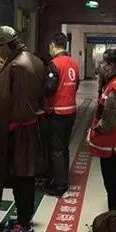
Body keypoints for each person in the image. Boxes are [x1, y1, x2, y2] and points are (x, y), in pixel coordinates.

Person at [0, 26, 47, 232]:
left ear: (5, 45)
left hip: (19, 130)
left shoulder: (17, 66)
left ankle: (24, 225)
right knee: (24, 177)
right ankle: (23, 218)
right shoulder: (34, 60)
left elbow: (10, 104)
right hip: (30, 127)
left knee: (22, 178)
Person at [87, 48, 116, 211]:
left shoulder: (115, 86)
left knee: (111, 184)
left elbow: (109, 120)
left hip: (110, 144)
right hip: (115, 142)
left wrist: (95, 130)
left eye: (104, 63)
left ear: (112, 66)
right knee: (113, 182)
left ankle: (113, 216)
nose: (101, 66)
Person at [42, 32, 80, 197]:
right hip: (70, 110)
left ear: (52, 45)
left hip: (57, 111)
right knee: (64, 147)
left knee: (56, 149)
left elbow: (50, 88)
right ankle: (61, 178)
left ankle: (60, 186)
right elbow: (76, 84)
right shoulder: (73, 63)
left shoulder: (54, 63)